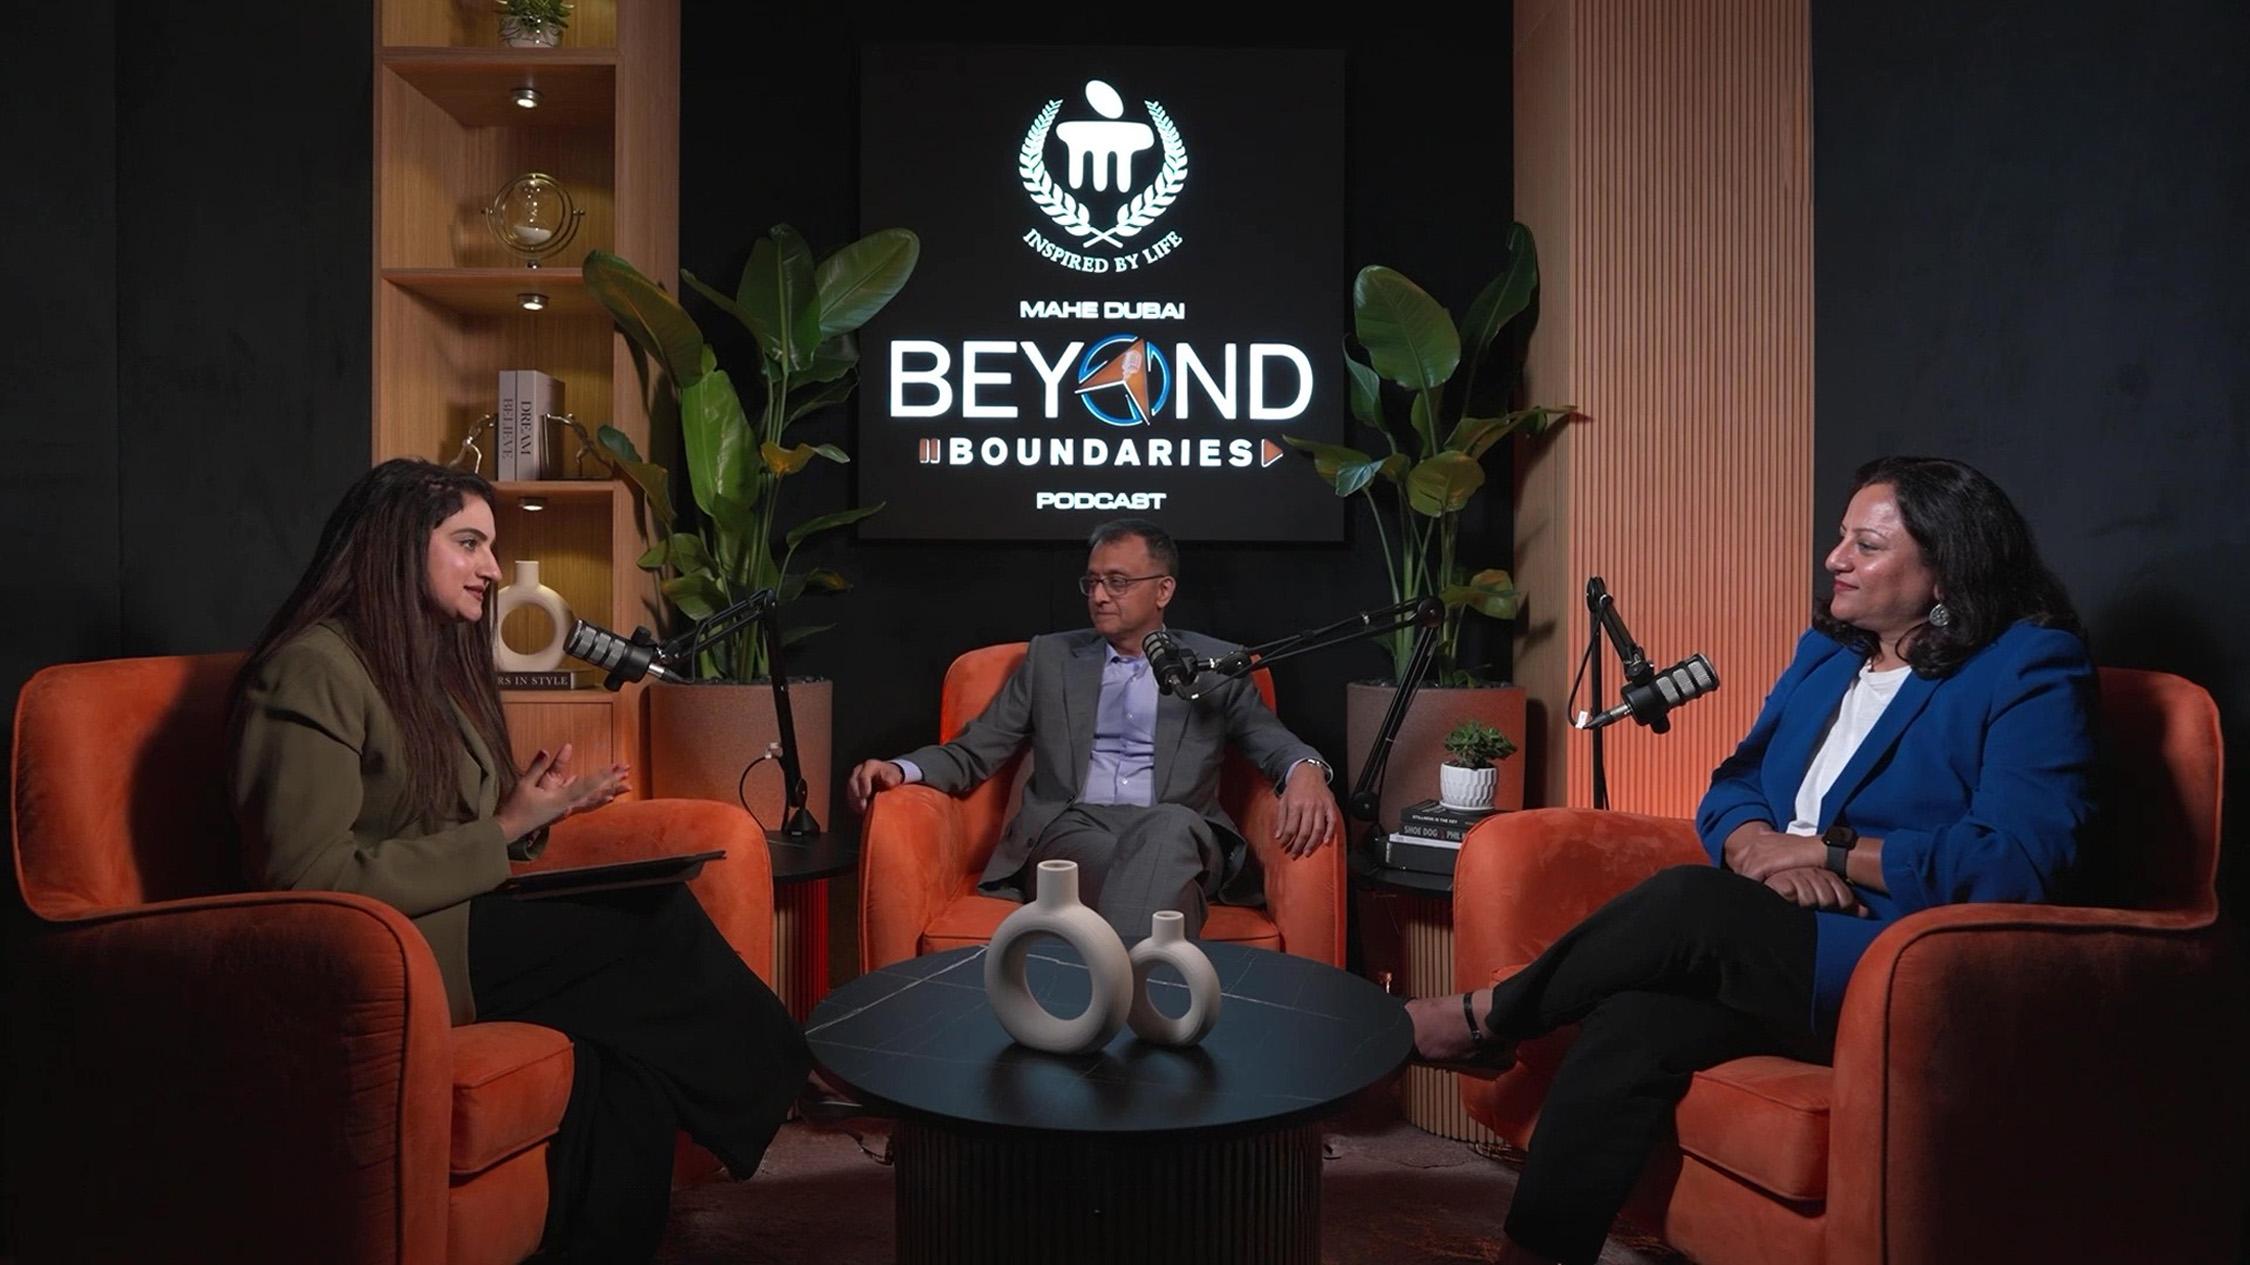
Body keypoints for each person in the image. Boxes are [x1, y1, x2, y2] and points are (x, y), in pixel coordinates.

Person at [1404, 456, 2096, 1265]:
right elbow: (1736, 782)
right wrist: (1758, 849)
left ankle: (1486, 1017)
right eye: (1841, 537)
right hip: (1774, 927)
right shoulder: (1829, 651)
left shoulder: (2028, 665)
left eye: (1867, 545)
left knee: (1693, 902)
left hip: (1895, 956)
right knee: (1636, 1019)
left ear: (1947, 569)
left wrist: (1829, 851)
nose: (1835, 558)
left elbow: (2018, 861)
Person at [228, 458, 808, 1265]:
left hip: (454, 917)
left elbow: (447, 824)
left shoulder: (421, 664)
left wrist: (538, 812)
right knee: (654, 923)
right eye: (469, 543)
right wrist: (502, 830)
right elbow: (306, 878)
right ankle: (792, 1083)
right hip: (386, 953)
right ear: (398, 544)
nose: (494, 569)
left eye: (491, 547)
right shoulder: (310, 669)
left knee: (624, 1054)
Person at [846, 517, 1340, 941]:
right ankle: (1145, 1002)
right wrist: (900, 769)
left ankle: (1108, 1001)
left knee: (1168, 830)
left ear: (1163, 590)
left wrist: (1306, 769)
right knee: (1166, 887)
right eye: (1093, 582)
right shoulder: (1051, 659)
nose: (1100, 596)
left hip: (1177, 827)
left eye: (1118, 582)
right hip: (1076, 829)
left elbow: (1269, 739)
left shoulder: (1215, 664)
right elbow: (975, 750)